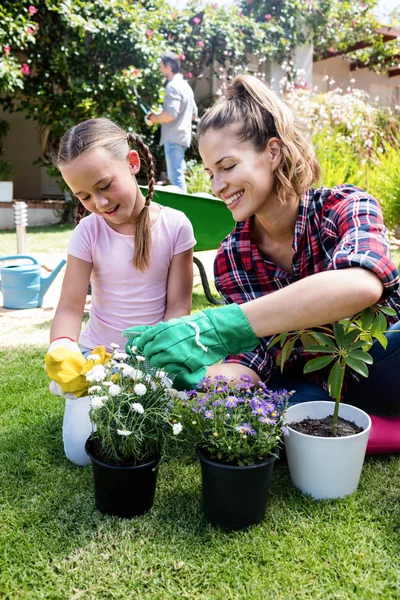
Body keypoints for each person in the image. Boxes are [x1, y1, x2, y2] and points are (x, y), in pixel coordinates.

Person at [124, 74, 400, 453]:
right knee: (272, 431)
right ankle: (367, 431)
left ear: (272, 152)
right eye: (210, 173)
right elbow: (258, 356)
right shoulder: (232, 257)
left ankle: (362, 427)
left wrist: (218, 324)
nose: (217, 185)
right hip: (313, 382)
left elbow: (362, 284)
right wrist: (194, 375)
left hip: (380, 359)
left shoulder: (345, 207)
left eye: (228, 166)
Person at [45, 117, 196, 463]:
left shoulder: (175, 226)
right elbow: (69, 308)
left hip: (150, 361)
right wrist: (63, 348)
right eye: (83, 196)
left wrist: (155, 367)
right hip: (95, 362)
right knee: (81, 454)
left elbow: (178, 310)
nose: (98, 203)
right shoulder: (88, 232)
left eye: (104, 185)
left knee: (139, 447)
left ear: (132, 163)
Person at [146, 51, 198, 193]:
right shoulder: (186, 86)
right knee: (177, 176)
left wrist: (153, 118)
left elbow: (170, 115)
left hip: (174, 137)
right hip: (183, 137)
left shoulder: (173, 86)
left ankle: (185, 212)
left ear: (168, 67)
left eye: (162, 66)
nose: (160, 69)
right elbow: (194, 115)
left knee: (176, 180)